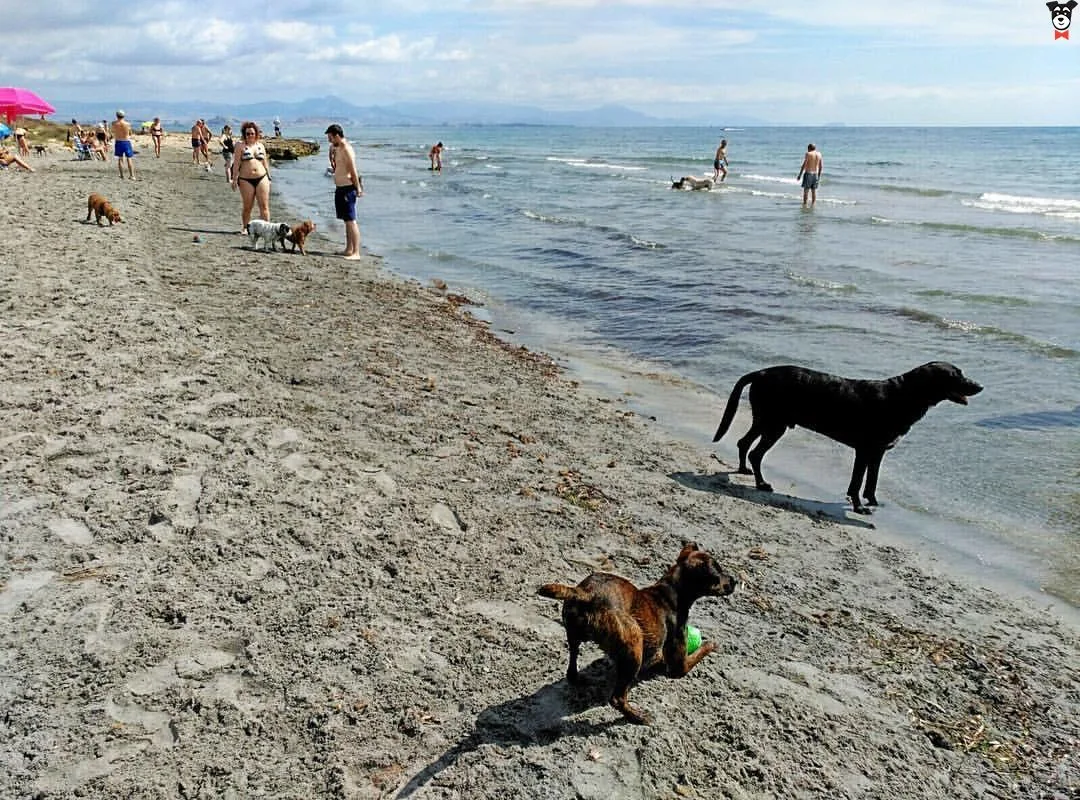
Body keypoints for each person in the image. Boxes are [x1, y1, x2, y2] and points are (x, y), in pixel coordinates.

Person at [325, 124, 363, 260]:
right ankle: (349, 249)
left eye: (330, 137)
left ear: (336, 135)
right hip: (340, 187)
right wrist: (331, 152)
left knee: (351, 220)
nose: (329, 140)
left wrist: (358, 188)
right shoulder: (337, 148)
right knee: (346, 220)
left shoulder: (347, 149)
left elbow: (353, 170)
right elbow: (335, 165)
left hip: (348, 188)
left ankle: (356, 252)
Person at [229, 121, 272, 234]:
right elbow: (237, 163)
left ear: (256, 134)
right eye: (247, 133)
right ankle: (245, 227)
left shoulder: (260, 145)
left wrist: (269, 177)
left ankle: (266, 229)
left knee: (264, 205)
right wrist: (234, 179)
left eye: (252, 133)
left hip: (262, 177)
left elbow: (265, 162)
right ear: (244, 134)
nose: (250, 136)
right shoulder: (240, 145)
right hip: (245, 179)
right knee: (248, 206)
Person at [111, 110, 136, 179]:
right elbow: (130, 133)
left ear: (117, 116)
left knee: (120, 158)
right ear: (124, 116)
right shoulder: (127, 124)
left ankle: (121, 175)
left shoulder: (114, 123)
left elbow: (113, 131)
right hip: (126, 141)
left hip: (118, 141)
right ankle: (132, 175)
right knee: (129, 158)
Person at [797, 143, 823, 207]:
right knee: (813, 191)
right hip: (815, 174)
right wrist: (819, 176)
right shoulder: (819, 154)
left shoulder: (808, 154)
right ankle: (813, 205)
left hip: (808, 173)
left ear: (809, 148)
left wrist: (800, 175)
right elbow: (821, 166)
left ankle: (805, 204)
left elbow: (804, 165)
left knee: (806, 190)